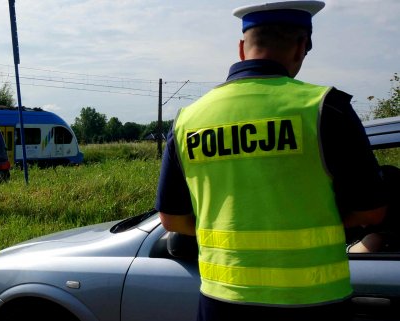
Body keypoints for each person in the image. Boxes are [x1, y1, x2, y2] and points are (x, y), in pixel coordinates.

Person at [155, 1, 387, 320]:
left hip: (222, 300)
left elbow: (173, 220)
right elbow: (371, 211)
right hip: (315, 300)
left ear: (241, 48)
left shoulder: (188, 119)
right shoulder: (325, 109)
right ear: (301, 46)